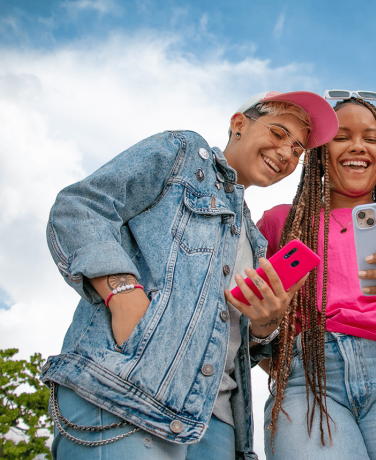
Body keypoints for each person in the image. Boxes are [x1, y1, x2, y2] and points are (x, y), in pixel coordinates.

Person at [41, 90, 338, 460]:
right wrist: (123, 292)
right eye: (279, 133)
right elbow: (80, 207)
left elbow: (225, 344)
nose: (286, 154)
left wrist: (265, 325)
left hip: (218, 424)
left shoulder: (255, 240)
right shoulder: (183, 154)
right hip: (129, 392)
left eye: (297, 149)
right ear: (239, 124)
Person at [247, 95, 376, 460]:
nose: (358, 146)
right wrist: (287, 363)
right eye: (342, 137)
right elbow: (253, 323)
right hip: (306, 380)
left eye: (371, 138)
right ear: (319, 153)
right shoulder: (280, 222)